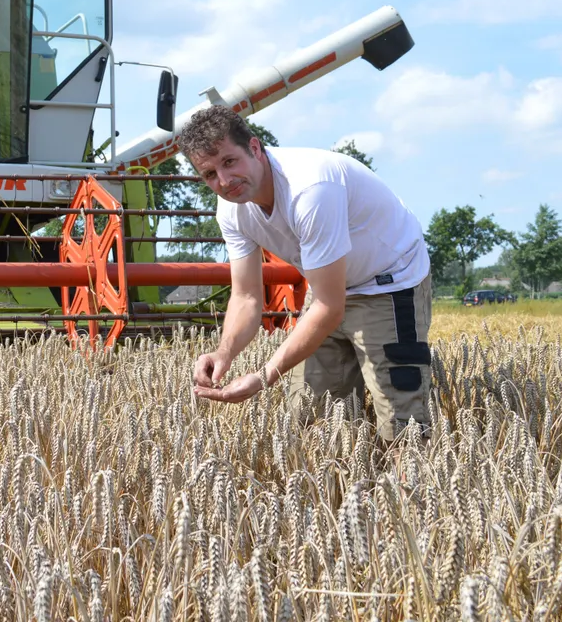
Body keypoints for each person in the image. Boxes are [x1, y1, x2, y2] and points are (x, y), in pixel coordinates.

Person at [181, 105, 432, 442]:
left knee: (402, 426)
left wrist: (264, 375)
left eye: (229, 162)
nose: (223, 181)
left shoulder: (310, 189)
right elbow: (246, 296)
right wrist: (223, 352)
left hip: (387, 283)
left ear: (254, 148)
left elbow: (330, 307)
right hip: (327, 285)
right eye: (209, 174)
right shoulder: (232, 209)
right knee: (315, 422)